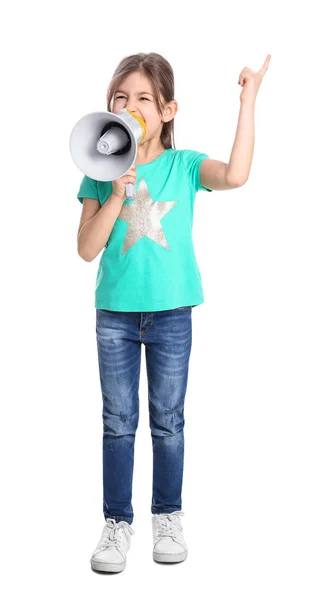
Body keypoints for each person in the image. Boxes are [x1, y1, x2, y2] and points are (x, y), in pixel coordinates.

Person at [76, 51, 270, 573]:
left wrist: (247, 100)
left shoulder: (185, 167)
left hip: (171, 317)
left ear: (167, 109)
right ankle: (117, 522)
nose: (130, 106)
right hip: (114, 317)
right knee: (118, 422)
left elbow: (236, 174)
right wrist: (116, 192)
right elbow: (87, 249)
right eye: (120, 97)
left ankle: (168, 515)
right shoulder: (100, 168)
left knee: (168, 421)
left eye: (143, 98)